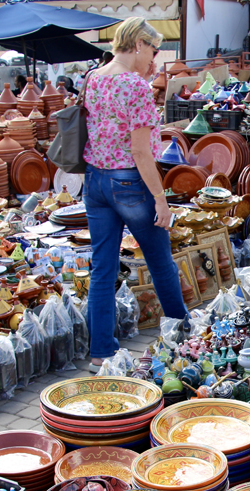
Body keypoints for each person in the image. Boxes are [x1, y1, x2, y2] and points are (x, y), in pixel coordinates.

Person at [82, 16, 187, 372]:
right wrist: (160, 198)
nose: (154, 60)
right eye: (153, 50)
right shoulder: (136, 87)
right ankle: (183, 333)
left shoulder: (93, 78)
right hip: (128, 182)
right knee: (160, 261)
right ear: (138, 44)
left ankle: (101, 353)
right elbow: (142, 153)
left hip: (95, 180)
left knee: (103, 268)